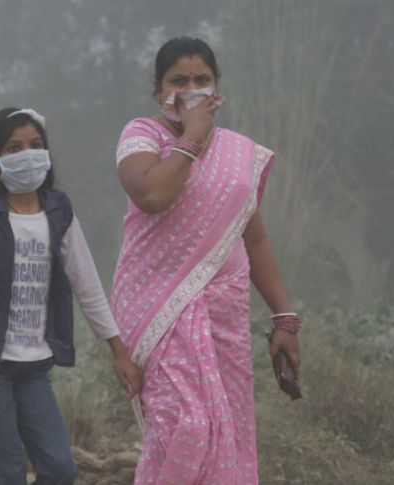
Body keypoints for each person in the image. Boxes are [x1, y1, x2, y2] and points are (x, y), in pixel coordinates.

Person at [111, 37, 302, 484]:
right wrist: (193, 136)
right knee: (187, 426)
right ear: (159, 88)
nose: (190, 89)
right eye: (179, 81)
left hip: (224, 318)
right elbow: (153, 195)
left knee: (227, 432)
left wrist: (285, 318)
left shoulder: (238, 153)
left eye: (202, 80)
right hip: (161, 312)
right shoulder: (142, 136)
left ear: (217, 90)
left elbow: (253, 239)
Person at [0, 107, 142, 485]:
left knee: (60, 469)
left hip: (34, 366)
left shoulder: (58, 210)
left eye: (35, 145)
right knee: (10, 471)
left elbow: (87, 282)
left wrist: (118, 350)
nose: (27, 155)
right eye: (13, 148)